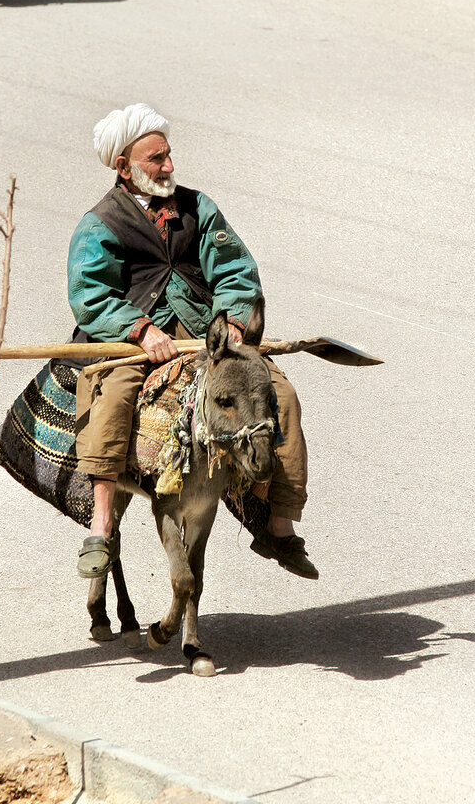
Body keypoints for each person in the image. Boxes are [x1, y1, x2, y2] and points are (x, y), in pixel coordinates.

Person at [68, 103, 318, 583]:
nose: (168, 167)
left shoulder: (199, 208)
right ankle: (101, 525)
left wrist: (236, 324)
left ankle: (280, 527)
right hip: (133, 341)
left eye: (168, 155)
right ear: (123, 167)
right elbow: (90, 294)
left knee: (279, 394)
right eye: (155, 159)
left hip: (209, 333)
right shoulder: (98, 224)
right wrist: (141, 330)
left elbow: (235, 270)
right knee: (115, 397)